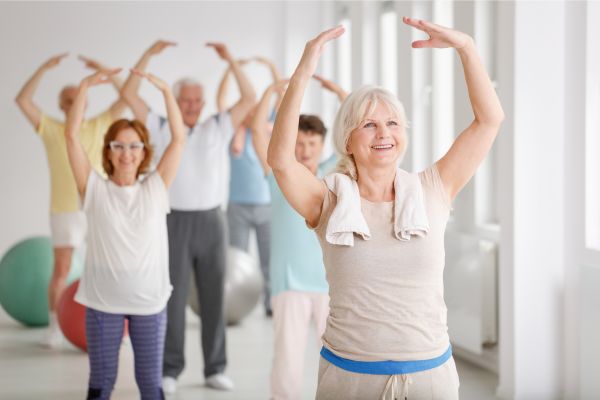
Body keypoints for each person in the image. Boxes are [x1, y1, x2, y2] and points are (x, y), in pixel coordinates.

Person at [267, 17, 504, 400]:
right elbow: (280, 160)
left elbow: (489, 120)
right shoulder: (327, 199)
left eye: (393, 123)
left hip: (431, 377)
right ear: (347, 138)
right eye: (370, 125)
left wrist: (467, 47)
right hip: (349, 379)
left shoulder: (434, 187)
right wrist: (303, 72)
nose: (384, 134)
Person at [121, 40, 256, 393]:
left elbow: (249, 99)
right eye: (186, 101)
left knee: (214, 298)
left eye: (198, 101)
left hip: (212, 220)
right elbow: (129, 93)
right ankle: (171, 369)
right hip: (172, 221)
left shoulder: (218, 126)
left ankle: (215, 367)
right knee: (173, 297)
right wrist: (147, 55)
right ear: (175, 101)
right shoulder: (159, 124)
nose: (193, 106)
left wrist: (231, 61)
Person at [64, 67, 185, 400]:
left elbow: (179, 138)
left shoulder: (156, 188)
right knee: (101, 383)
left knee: (150, 384)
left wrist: (166, 93)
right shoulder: (93, 189)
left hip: (149, 300)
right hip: (103, 301)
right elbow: (71, 136)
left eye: (134, 146)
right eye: (118, 145)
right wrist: (85, 86)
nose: (126, 153)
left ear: (144, 151)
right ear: (108, 151)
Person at [14, 53, 126, 348]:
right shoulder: (51, 129)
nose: (74, 102)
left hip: (99, 206)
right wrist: (42, 67)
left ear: (85, 101)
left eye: (79, 97)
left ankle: (115, 326)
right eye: (68, 99)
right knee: (62, 269)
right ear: (62, 105)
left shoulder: (102, 123)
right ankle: (54, 326)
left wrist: (104, 69)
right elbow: (22, 100)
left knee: (108, 266)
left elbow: (127, 97)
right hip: (65, 210)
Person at [252, 76, 346, 400]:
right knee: (287, 359)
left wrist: (339, 94)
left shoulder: (333, 172)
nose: (305, 151)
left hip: (330, 283)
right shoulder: (279, 173)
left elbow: (354, 134)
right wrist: (268, 93)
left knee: (338, 359)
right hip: (289, 282)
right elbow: (258, 132)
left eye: (311, 144)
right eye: (299, 144)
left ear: (321, 146)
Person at [216, 56, 282, 317]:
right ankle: (235, 305)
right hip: (238, 206)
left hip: (267, 204)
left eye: (256, 110)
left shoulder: (267, 130)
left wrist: (271, 66)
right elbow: (220, 101)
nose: (252, 113)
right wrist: (231, 69)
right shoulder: (232, 133)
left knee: (268, 260)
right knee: (236, 259)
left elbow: (281, 93)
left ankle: (269, 304)